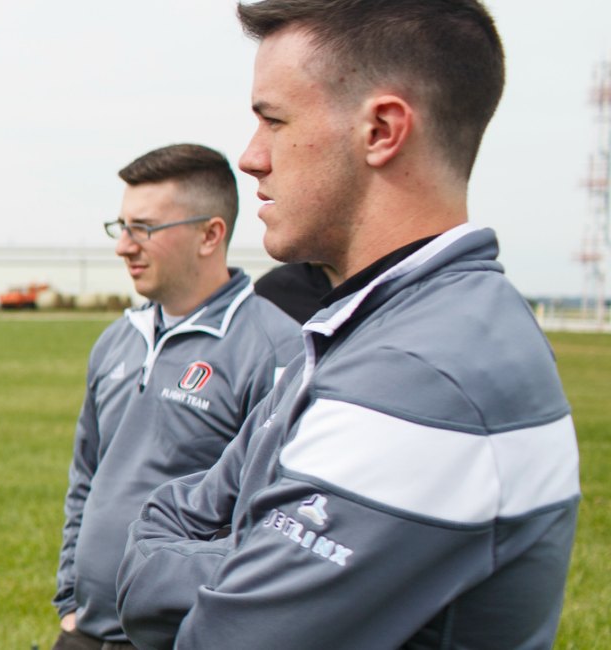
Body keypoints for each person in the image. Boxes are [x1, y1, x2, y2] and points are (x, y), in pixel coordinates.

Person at [115, 1, 579, 647]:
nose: (250, 158)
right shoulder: (376, 325)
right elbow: (166, 516)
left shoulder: (422, 375)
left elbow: (227, 633)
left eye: (273, 120)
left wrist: (194, 561)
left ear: (382, 131)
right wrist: (242, 558)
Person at [52, 144, 300, 650]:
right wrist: (70, 601)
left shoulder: (276, 350)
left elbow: (272, 523)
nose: (124, 246)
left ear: (210, 235)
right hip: (83, 631)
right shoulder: (116, 340)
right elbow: (87, 477)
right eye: (119, 227)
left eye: (143, 229)